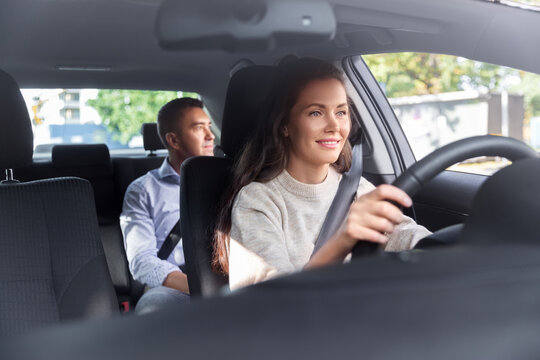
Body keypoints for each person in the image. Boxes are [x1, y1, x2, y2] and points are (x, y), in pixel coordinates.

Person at [213, 58, 431, 290]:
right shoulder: (257, 201)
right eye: (316, 113)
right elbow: (274, 299)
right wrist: (342, 241)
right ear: (285, 124)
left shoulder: (355, 187)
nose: (334, 126)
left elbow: (406, 234)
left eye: (341, 112)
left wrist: (451, 245)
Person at [120, 97, 215, 313]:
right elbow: (142, 261)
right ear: (173, 140)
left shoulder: (229, 180)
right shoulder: (142, 190)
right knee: (154, 307)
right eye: (199, 129)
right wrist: (202, 288)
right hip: (174, 287)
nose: (211, 136)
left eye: (209, 127)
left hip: (230, 280)